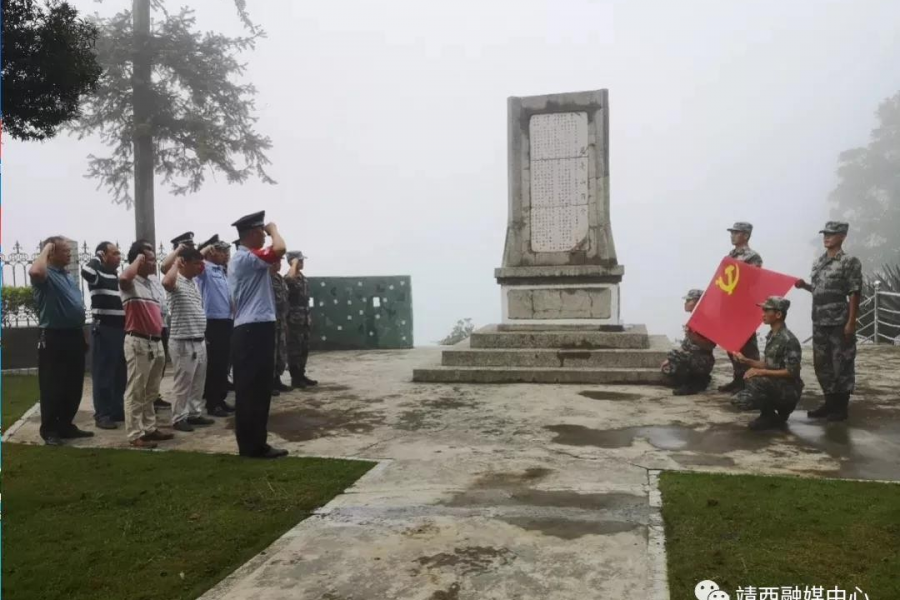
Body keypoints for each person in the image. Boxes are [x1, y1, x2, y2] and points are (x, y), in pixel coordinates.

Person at [228, 211, 288, 459]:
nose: (265, 237)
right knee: (252, 390)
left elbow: (272, 263)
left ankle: (256, 443)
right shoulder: (245, 258)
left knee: (258, 389)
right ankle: (252, 446)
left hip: (253, 328)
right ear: (252, 233)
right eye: (261, 233)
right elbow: (280, 248)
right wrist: (274, 229)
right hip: (253, 329)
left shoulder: (247, 260)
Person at [794, 221, 862, 422]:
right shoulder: (819, 262)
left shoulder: (849, 261)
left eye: (831, 234)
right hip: (820, 320)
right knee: (822, 364)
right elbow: (818, 289)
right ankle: (829, 402)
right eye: (825, 234)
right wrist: (804, 285)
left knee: (841, 363)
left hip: (839, 321)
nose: (826, 237)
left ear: (842, 236)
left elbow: (854, 292)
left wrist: (851, 322)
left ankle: (841, 407)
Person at [30, 236, 94, 446]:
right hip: (53, 336)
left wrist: (83, 333)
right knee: (52, 384)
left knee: (73, 384)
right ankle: (50, 430)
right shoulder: (45, 275)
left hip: (74, 334)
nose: (70, 254)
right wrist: (46, 246)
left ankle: (66, 424)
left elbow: (76, 307)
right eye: (65, 250)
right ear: (51, 252)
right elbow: (35, 271)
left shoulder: (67, 275)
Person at [120, 241, 175, 449]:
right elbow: (124, 277)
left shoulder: (152, 283)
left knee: (151, 390)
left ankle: (149, 428)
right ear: (138, 260)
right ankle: (135, 434)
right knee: (136, 389)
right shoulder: (130, 282)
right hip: (138, 341)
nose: (153, 263)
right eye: (148, 259)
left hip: (156, 340)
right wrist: (137, 261)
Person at [732, 296, 804, 431]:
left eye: (766, 310)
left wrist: (761, 372)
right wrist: (747, 361)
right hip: (778, 384)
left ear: (778, 314)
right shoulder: (772, 335)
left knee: (755, 381)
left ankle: (772, 414)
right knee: (740, 397)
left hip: (789, 390)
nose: (763, 314)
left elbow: (792, 371)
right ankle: (772, 414)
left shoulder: (788, 339)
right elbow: (768, 364)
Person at [163, 247, 215, 432]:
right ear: (184, 263)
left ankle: (194, 413)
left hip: (198, 339)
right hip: (183, 341)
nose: (199, 268)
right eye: (196, 264)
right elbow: (166, 282)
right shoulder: (176, 279)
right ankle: (179, 418)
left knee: (197, 382)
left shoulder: (192, 282)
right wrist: (176, 262)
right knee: (183, 383)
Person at [81, 241, 127, 430]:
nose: (119, 256)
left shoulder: (116, 277)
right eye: (115, 253)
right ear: (103, 255)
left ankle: (117, 409)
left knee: (119, 374)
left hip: (120, 330)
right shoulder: (97, 274)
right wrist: (96, 257)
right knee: (104, 374)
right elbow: (86, 271)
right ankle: (103, 414)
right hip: (104, 329)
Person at [719, 221, 763, 393]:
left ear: (745, 235)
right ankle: (738, 379)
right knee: (731, 344)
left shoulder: (752, 256)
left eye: (736, 232)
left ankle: (752, 380)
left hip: (743, 306)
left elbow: (753, 279)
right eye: (732, 232)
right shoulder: (730, 256)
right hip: (729, 305)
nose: (732, 235)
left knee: (747, 346)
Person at [197, 234, 235, 417]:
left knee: (223, 364)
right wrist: (205, 250)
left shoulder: (221, 271)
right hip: (213, 321)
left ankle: (221, 398)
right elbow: (194, 259)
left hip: (226, 319)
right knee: (214, 364)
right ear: (213, 252)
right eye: (222, 252)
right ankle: (212, 403)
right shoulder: (204, 268)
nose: (226, 255)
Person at [660, 289, 715, 395]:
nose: (685, 303)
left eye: (689, 300)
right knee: (671, 363)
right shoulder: (694, 319)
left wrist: (693, 337)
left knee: (679, 358)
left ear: (698, 302)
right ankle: (696, 380)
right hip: (693, 357)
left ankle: (695, 383)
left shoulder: (706, 320)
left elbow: (710, 346)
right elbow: (686, 345)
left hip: (702, 359)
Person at [285, 251, 318, 388]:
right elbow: (288, 280)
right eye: (299, 260)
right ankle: (295, 378)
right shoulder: (289, 277)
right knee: (294, 350)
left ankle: (301, 375)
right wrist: (293, 265)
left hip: (304, 319)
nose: (302, 262)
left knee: (304, 349)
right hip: (294, 320)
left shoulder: (303, 279)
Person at [271, 258, 291, 395]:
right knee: (271, 352)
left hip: (281, 319)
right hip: (271, 319)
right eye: (277, 262)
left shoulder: (279, 278)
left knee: (280, 352)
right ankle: (270, 382)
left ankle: (277, 379)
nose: (279, 264)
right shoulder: (266, 278)